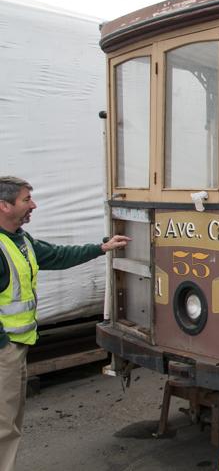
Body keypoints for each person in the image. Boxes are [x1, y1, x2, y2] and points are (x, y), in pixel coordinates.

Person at [0, 176, 130, 471]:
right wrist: (3, 346)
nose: (33, 205)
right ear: (4, 206)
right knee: (4, 426)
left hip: (17, 345)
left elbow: (57, 256)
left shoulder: (19, 239)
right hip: (5, 350)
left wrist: (101, 247)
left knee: (10, 421)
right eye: (25, 200)